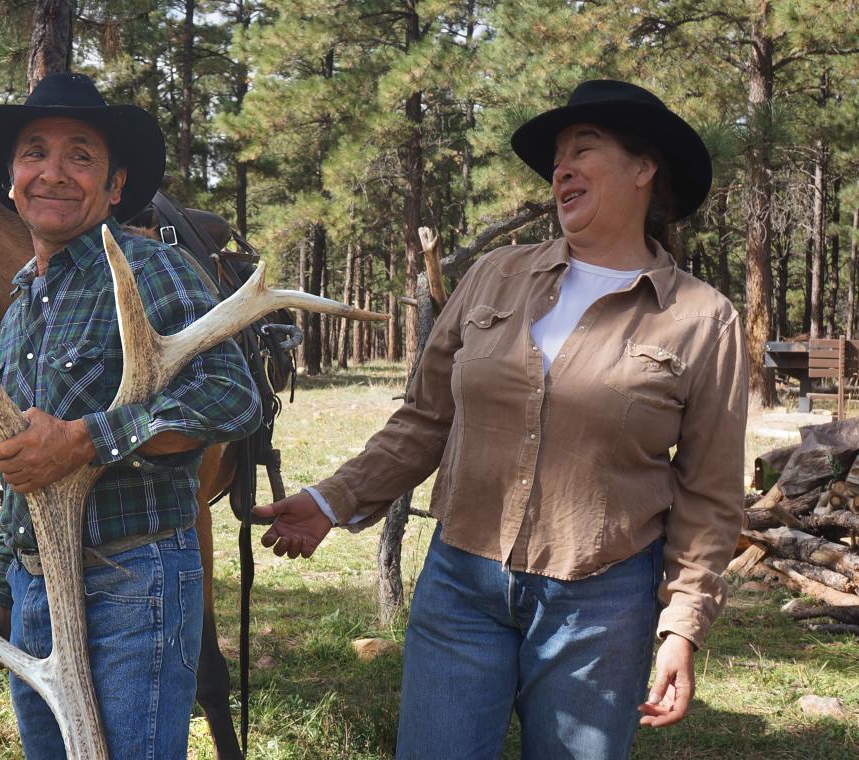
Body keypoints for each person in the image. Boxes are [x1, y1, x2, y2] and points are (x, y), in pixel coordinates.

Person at [254, 80, 747, 759]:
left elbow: (710, 495)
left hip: (603, 604)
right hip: (462, 583)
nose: (561, 168)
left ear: (644, 168)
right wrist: (330, 501)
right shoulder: (493, 278)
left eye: (584, 148)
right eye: (556, 158)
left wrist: (682, 627)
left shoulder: (702, 319)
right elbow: (424, 421)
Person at [0, 72, 262, 759]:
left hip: (136, 579)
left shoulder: (153, 269)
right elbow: (20, 468)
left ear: (115, 185)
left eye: (81, 155)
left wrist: (88, 441)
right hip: (35, 590)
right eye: (34, 152)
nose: (54, 173)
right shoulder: (16, 314)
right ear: (11, 180)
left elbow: (232, 397)